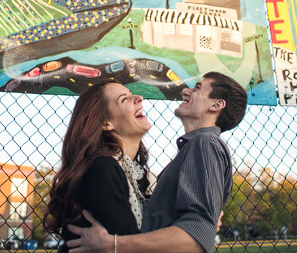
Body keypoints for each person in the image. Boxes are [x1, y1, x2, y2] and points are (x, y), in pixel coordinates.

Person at [67, 71, 247, 253]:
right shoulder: (111, 168)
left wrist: (113, 244)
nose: (186, 91)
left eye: (198, 88)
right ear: (105, 123)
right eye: (124, 99)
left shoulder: (204, 143)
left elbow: (198, 234)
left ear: (217, 105)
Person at [44, 79, 153, 252]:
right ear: (106, 123)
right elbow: (129, 243)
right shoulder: (102, 168)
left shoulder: (130, 171)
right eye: (124, 99)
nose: (139, 98)